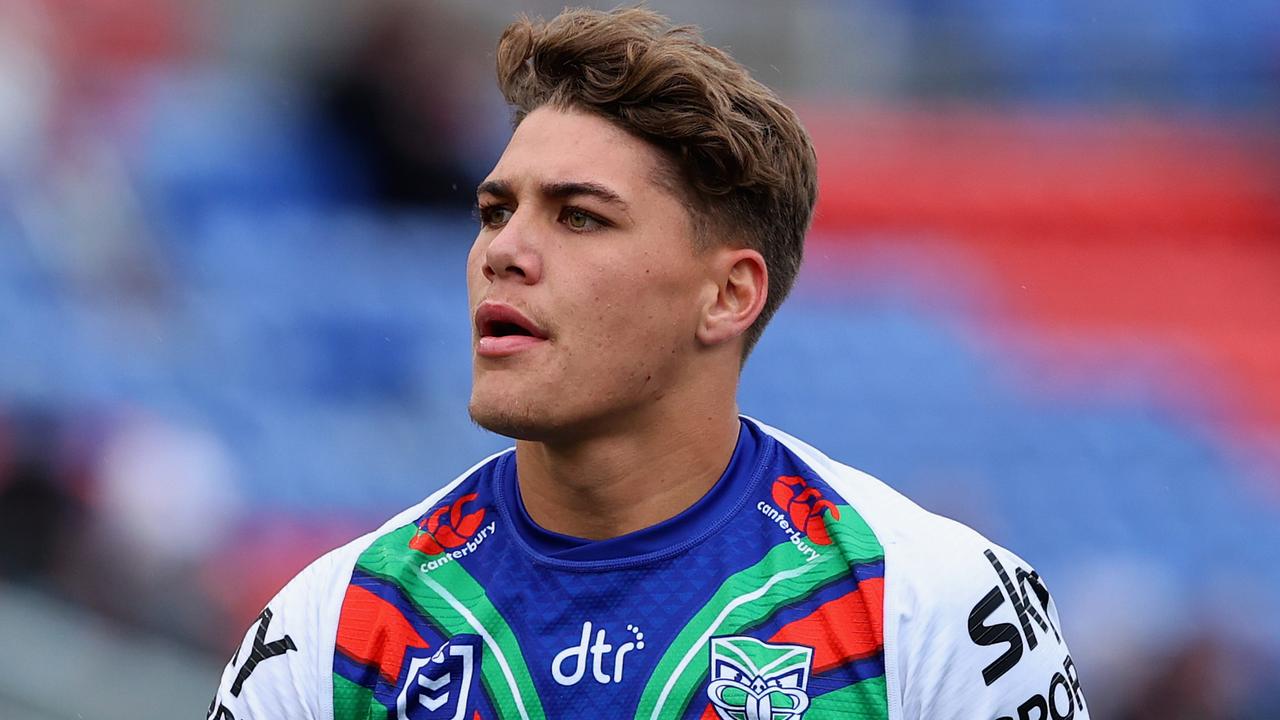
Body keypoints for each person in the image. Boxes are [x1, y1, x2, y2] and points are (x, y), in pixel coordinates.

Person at [209, 8, 1089, 720]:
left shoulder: (938, 606)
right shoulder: (334, 628)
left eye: (579, 216)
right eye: (492, 211)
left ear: (728, 296)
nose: (503, 252)